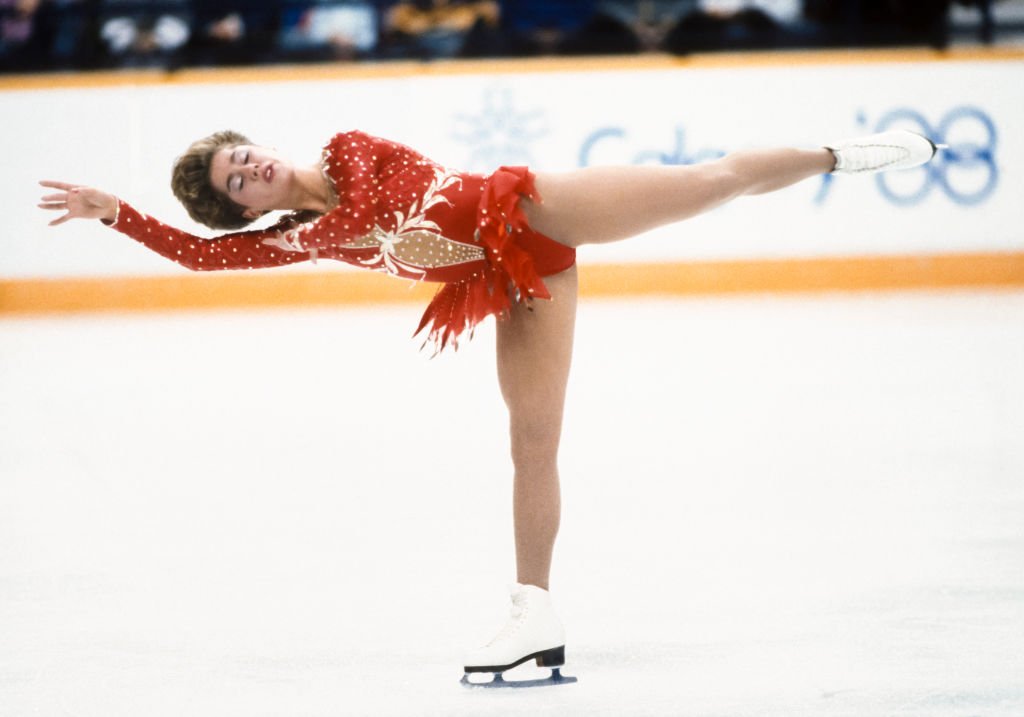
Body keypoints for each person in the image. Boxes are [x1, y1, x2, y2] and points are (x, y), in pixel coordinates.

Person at [38, 127, 938, 687]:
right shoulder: (297, 240)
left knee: (708, 182)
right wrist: (120, 215)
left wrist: (324, 232)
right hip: (508, 282)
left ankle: (839, 154)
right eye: (238, 183)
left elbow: (394, 197)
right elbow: (205, 261)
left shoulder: (346, 151)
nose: (253, 169)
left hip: (535, 212)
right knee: (531, 441)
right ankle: (534, 611)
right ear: (242, 209)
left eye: (244, 156)